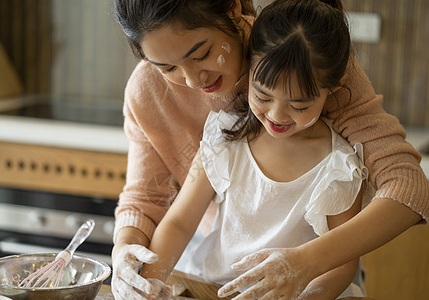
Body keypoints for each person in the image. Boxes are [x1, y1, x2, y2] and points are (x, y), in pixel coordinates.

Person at [111, 0, 428, 299]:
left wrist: (304, 264)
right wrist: (129, 257)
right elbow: (151, 202)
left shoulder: (306, 56)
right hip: (213, 273)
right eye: (167, 67)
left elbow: (407, 185)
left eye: (201, 54)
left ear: (233, 7)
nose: (192, 80)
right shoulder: (218, 135)